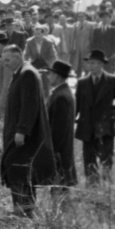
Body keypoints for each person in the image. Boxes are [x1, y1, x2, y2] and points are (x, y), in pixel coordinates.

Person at [0, 46, 52, 218]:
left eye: (7, 60)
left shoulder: (27, 73)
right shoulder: (22, 72)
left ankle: (23, 210)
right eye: (3, 60)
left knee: (18, 170)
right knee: (18, 170)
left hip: (23, 136)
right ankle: (23, 209)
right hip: (18, 133)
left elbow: (29, 105)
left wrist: (22, 130)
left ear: (18, 57)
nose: (5, 64)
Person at [73, 50, 115, 182]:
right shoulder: (82, 82)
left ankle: (107, 186)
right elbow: (76, 104)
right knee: (89, 159)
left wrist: (112, 117)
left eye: (93, 63)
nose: (90, 66)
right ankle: (92, 186)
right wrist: (73, 119)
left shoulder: (112, 80)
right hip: (87, 127)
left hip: (105, 127)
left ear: (101, 64)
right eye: (89, 63)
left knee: (106, 158)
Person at [45, 60, 77, 194]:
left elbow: (58, 129)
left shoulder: (61, 97)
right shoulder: (63, 92)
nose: (48, 77)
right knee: (59, 190)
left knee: (59, 191)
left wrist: (52, 152)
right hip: (62, 151)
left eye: (50, 74)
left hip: (59, 153)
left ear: (57, 76)